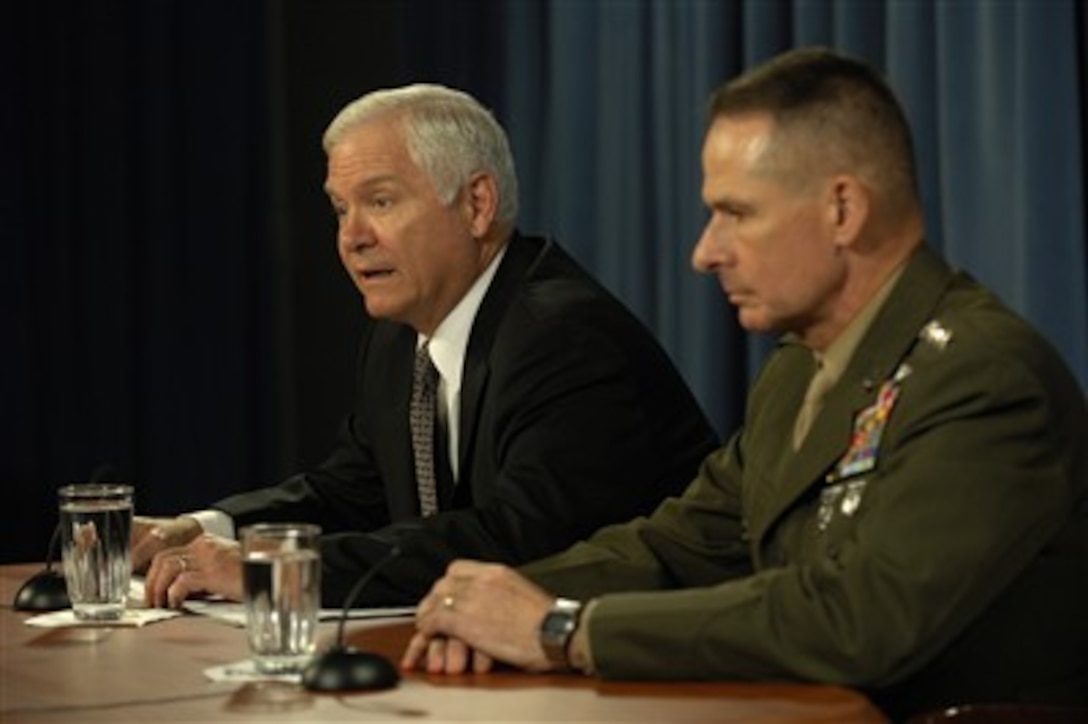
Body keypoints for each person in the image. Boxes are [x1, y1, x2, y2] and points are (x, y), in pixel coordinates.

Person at [403, 48, 1088, 720]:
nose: (706, 252)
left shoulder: (982, 375)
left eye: (738, 213)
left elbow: (860, 621)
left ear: (843, 209)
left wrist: (563, 631)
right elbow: (682, 544)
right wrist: (487, 599)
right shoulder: (799, 370)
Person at [133, 84, 719, 609]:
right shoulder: (398, 339)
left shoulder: (561, 335)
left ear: (476, 205)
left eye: (380, 202)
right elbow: (356, 492)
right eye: (341, 209)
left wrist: (279, 571)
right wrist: (213, 528)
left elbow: (518, 540)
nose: (352, 238)